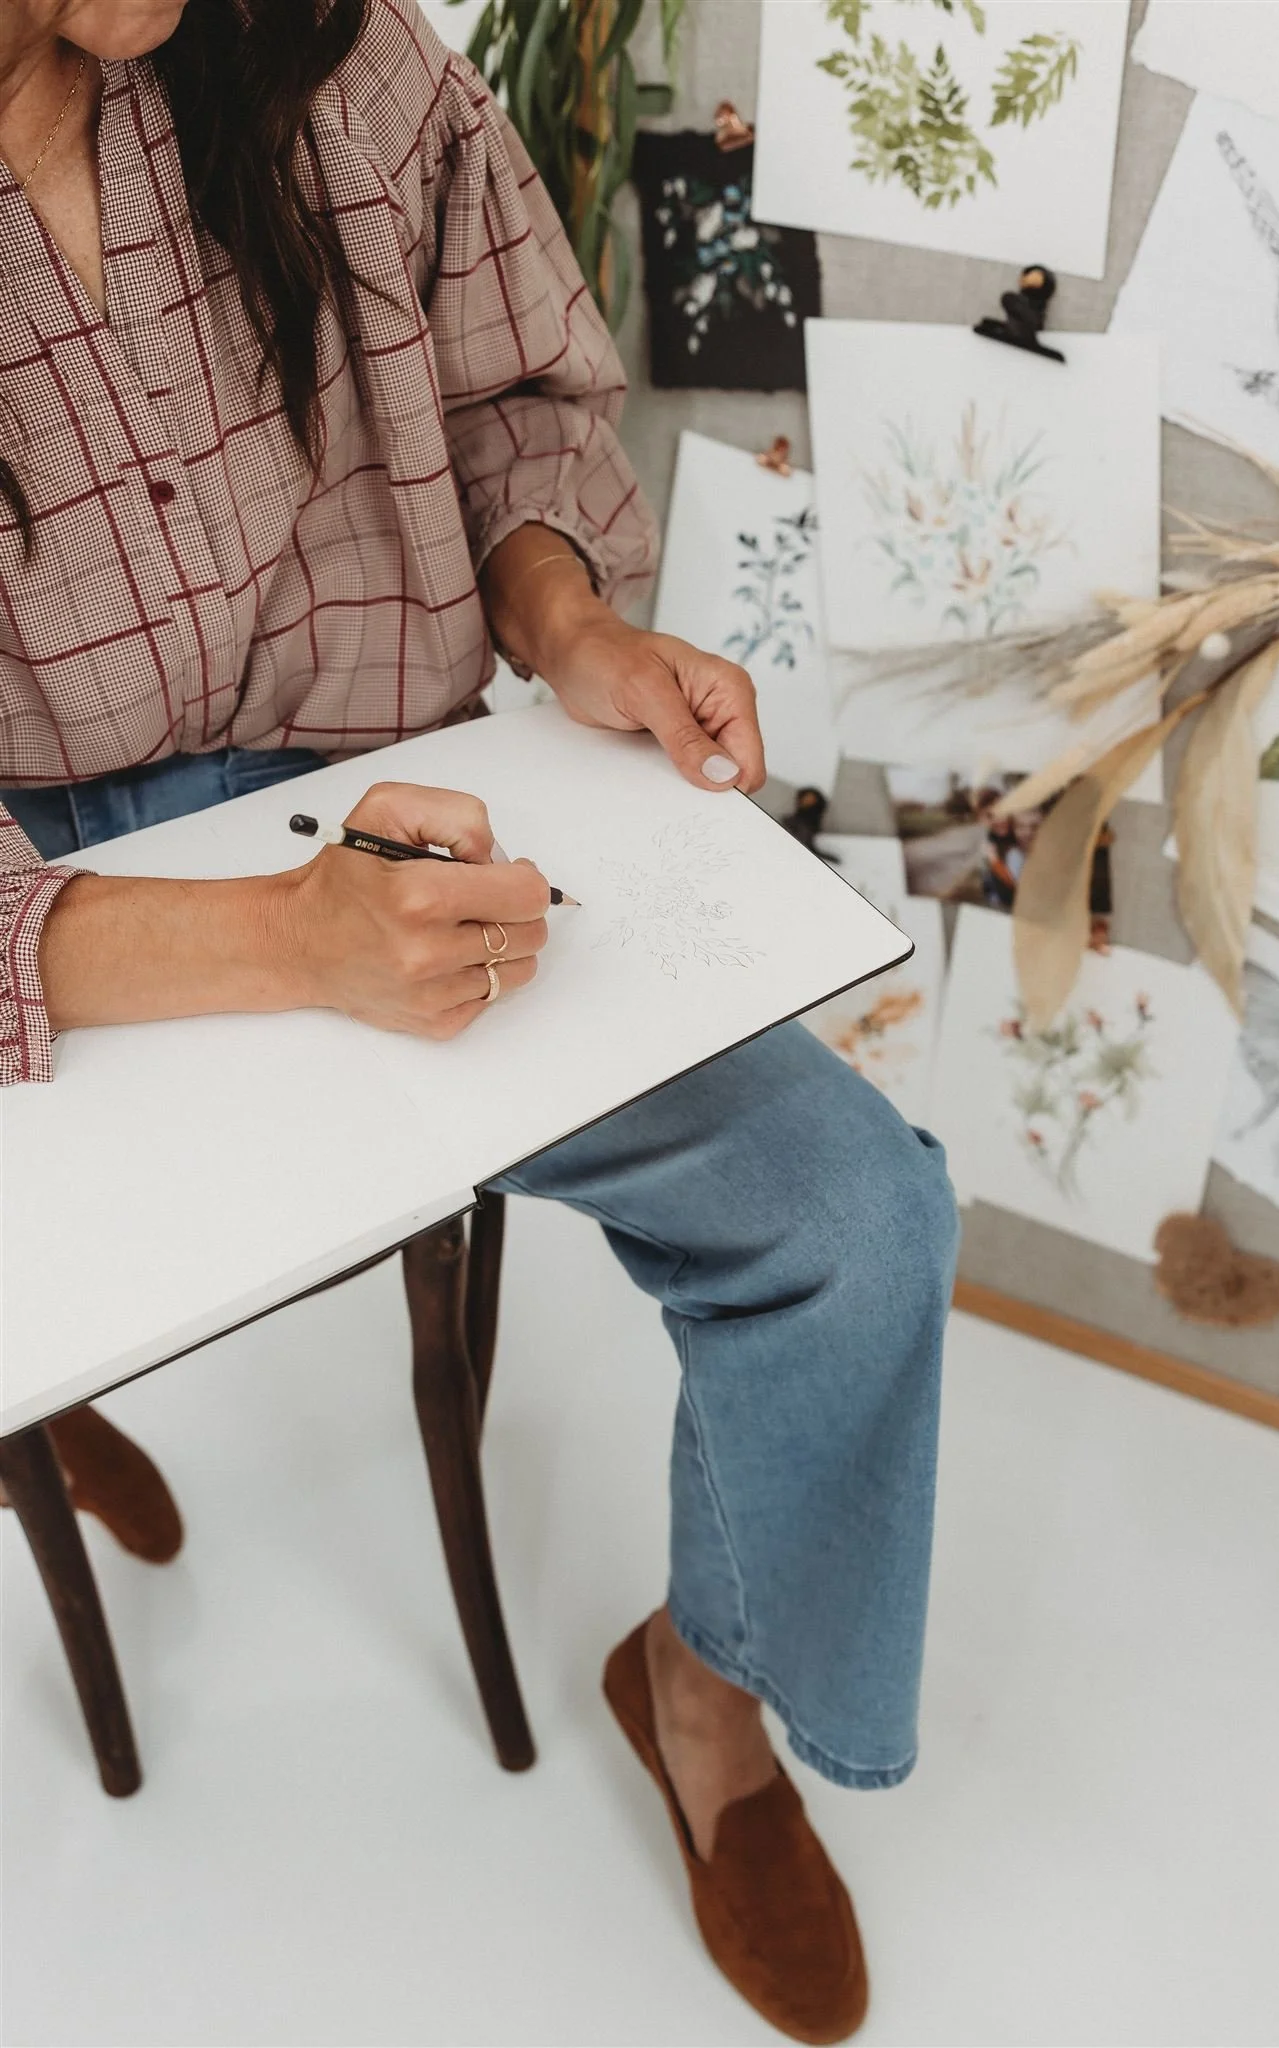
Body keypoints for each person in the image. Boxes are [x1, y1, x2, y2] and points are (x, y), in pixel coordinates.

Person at [0, 3, 958, 2038]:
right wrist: (288, 941)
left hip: (400, 789)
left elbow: (516, 397)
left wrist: (573, 628)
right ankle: (60, 1370)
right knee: (46, 1281)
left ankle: (704, 1686)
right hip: (50, 908)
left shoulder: (328, 57)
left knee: (855, 1216)